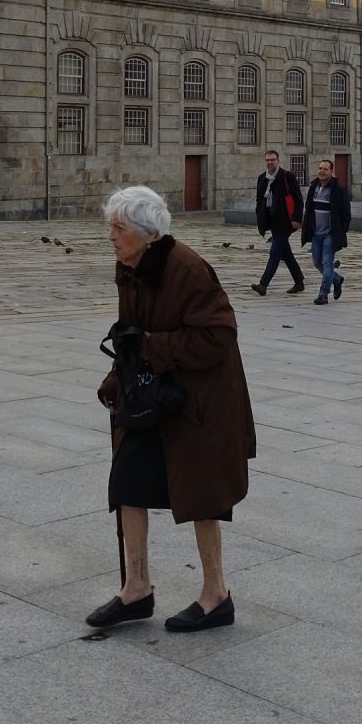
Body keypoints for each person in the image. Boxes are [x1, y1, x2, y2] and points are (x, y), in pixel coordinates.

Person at [88, 186, 256, 633]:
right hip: (150, 393)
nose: (111, 236)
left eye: (118, 228)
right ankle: (136, 589)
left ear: (147, 234)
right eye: (110, 226)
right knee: (127, 482)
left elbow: (219, 335)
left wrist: (151, 347)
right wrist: (117, 376)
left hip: (198, 400)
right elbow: (131, 332)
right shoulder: (129, 266)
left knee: (202, 495)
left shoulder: (188, 269)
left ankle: (216, 595)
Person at [251, 149, 305, 296]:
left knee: (275, 251)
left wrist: (297, 219)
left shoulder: (287, 176)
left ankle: (263, 284)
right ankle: (299, 281)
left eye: (273, 160)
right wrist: (260, 220)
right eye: (268, 160)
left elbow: (298, 199)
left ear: (278, 160)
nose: (270, 162)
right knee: (286, 253)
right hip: (271, 220)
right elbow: (259, 200)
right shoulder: (262, 178)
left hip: (285, 222)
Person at [300, 157, 352, 304]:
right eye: (320, 168)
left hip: (330, 234)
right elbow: (309, 209)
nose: (322, 171)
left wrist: (340, 231)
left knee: (327, 262)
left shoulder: (338, 190)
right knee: (317, 262)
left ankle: (323, 293)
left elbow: (346, 214)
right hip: (316, 233)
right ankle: (337, 279)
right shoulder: (314, 187)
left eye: (325, 169)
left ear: (331, 172)